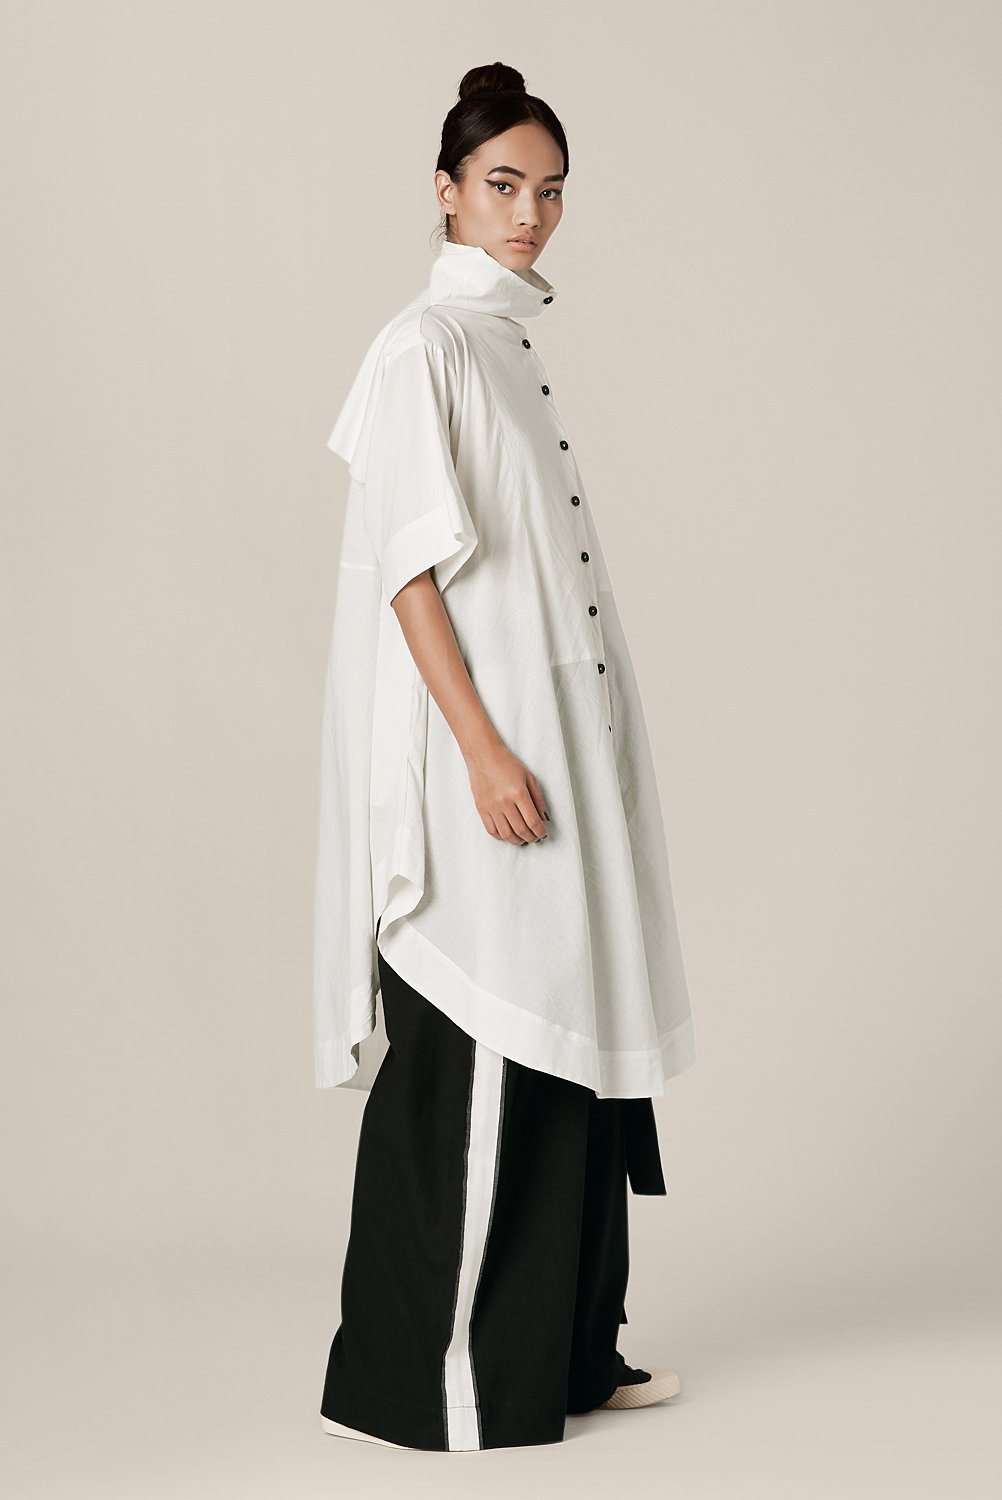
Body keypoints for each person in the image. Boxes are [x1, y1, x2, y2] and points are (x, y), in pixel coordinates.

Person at [313, 61, 697, 1452]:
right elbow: (411, 574)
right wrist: (479, 751)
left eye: (549, 191)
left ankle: (569, 1352)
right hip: (491, 767)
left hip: (559, 761)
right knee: (483, 1049)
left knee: (570, 1044)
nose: (528, 213)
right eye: (501, 185)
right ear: (445, 189)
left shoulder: (505, 349)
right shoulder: (422, 348)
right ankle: (433, 1387)